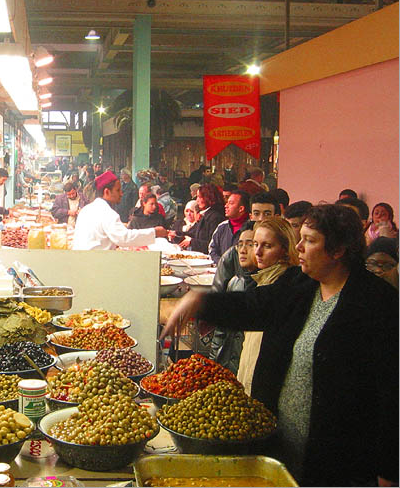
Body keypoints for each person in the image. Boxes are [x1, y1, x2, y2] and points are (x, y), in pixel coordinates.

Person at [162, 205, 398, 486]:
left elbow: (390, 392)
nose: (298, 246)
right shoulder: (301, 284)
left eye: (310, 241)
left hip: (338, 458)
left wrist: (388, 470)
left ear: (338, 250)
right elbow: (255, 306)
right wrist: (200, 301)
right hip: (281, 443)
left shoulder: (378, 303)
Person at [237, 217, 299, 395]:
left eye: (267, 246)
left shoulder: (282, 286)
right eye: (255, 244)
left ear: (285, 250)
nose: (257, 251)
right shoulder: (261, 280)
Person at [72, 171, 170, 250]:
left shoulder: (86, 210)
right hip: (97, 265)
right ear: (107, 192)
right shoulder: (107, 213)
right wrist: (154, 232)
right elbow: (124, 238)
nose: (121, 194)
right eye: (118, 190)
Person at [209, 221, 258, 374]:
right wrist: (213, 361)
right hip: (229, 366)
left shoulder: (270, 288)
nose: (243, 250)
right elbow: (221, 329)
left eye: (250, 245)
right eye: (240, 244)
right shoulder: (235, 282)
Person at [174, 183, 225, 254]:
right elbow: (192, 233)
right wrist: (175, 234)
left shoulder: (215, 218)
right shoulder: (204, 215)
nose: (197, 200)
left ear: (209, 197)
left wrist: (192, 242)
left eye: (199, 197)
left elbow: (213, 244)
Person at [208, 190, 251, 264]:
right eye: (227, 202)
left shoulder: (251, 228)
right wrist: (222, 264)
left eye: (230, 203)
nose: (226, 206)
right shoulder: (222, 227)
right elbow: (212, 249)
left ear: (241, 208)